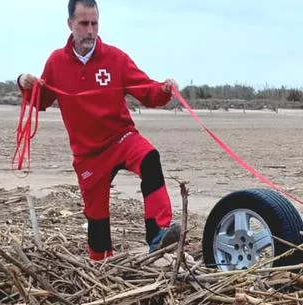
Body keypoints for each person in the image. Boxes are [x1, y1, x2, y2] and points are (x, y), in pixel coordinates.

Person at [18, 0, 181, 261]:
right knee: (97, 221)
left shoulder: (115, 58)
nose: (90, 31)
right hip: (88, 154)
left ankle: (158, 234)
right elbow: (41, 99)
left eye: (94, 23)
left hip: (121, 138)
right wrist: (24, 84)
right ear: (70, 24)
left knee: (150, 157)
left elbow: (147, 91)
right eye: (84, 24)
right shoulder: (56, 62)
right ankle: (101, 265)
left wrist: (164, 89)